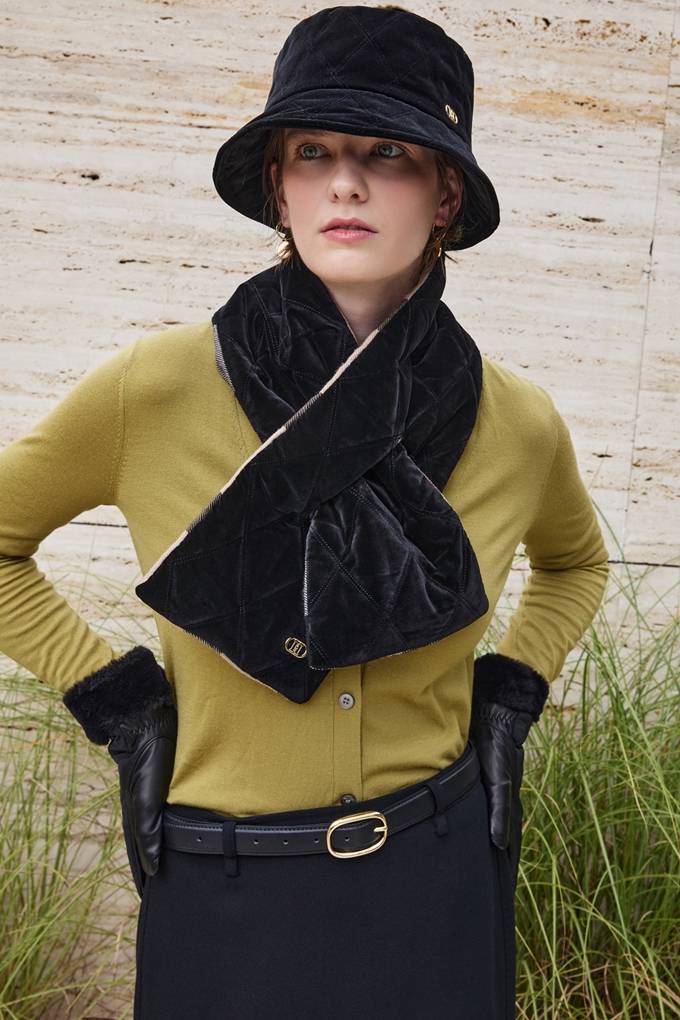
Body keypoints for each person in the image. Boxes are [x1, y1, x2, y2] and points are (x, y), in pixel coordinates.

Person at [0, 5, 610, 1018]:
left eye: (388, 153)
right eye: (312, 152)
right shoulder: (156, 387)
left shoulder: (516, 421)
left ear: (447, 193)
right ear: (279, 190)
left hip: (439, 880)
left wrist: (513, 690)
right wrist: (115, 700)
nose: (345, 182)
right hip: (226, 895)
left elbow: (576, 564)